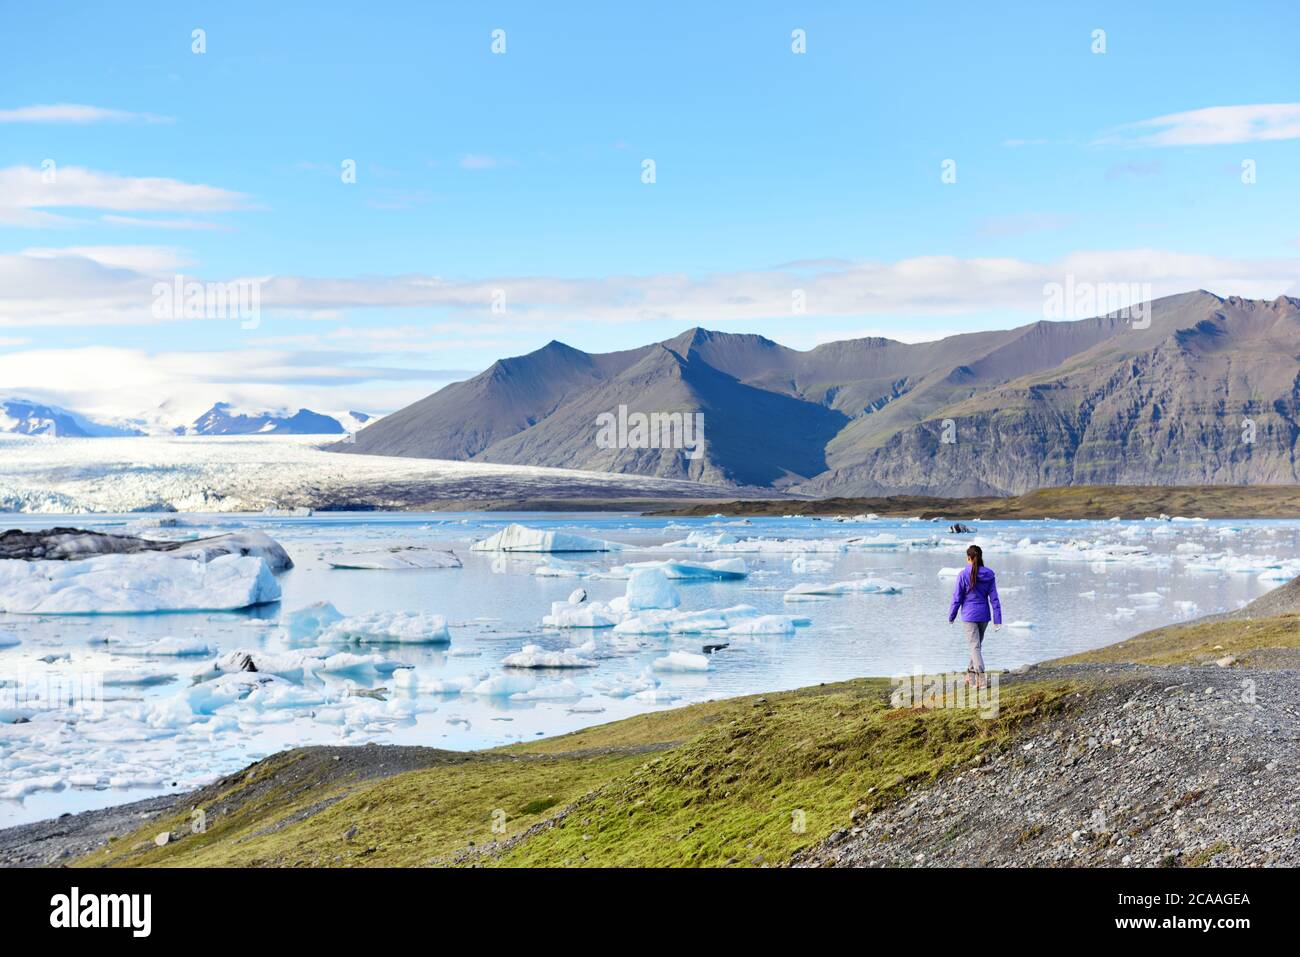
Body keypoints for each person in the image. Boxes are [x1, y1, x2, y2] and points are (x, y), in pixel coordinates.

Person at [948, 544, 1002, 687]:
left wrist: (951, 616)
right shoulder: (989, 574)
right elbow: (994, 598)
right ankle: (970, 675)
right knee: (976, 646)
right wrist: (997, 619)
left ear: (969, 558)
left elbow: (957, 598)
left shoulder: (963, 574)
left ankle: (981, 679)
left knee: (974, 647)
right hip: (984, 615)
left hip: (969, 616)